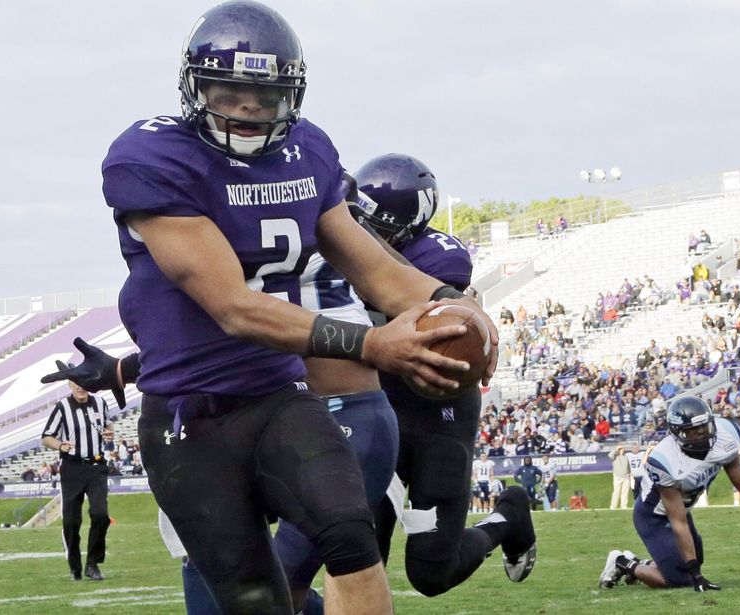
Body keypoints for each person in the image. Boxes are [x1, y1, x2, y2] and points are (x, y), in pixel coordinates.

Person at [41, 5, 498, 612]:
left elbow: (376, 267)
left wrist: (452, 304)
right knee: (256, 598)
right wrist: (369, 344)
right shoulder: (153, 158)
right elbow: (232, 307)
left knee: (351, 538)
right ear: (194, 87)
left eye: (266, 96)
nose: (247, 111)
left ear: (294, 94)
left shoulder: (306, 152)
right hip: (191, 416)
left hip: (280, 396)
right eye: (228, 92)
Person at [350, 154, 536, 595]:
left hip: (439, 417)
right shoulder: (347, 247)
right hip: (381, 411)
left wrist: (363, 242)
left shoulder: (440, 257)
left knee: (432, 574)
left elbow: (403, 291)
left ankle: (507, 517)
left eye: (375, 224)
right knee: (356, 555)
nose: (364, 233)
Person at [599, 396, 740, 591]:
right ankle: (621, 562)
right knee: (680, 579)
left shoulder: (725, 435)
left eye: (703, 427)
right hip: (653, 515)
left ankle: (637, 562)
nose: (700, 434)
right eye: (692, 430)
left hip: (682, 509)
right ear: (678, 433)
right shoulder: (666, 460)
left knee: (694, 559)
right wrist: (696, 576)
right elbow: (678, 522)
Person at [40, 378, 113, 581]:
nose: (81, 387)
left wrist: (109, 434)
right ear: (70, 385)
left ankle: (93, 564)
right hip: (72, 468)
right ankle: (75, 567)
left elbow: (109, 425)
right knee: (72, 521)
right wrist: (60, 445)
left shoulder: (100, 403)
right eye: (76, 383)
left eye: (84, 382)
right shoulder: (62, 407)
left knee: (101, 514)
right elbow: (46, 436)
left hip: (97, 466)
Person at [609, 444, 631, 509]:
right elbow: (610, 455)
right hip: (617, 477)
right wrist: (616, 449)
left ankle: (624, 505)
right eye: (620, 449)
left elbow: (628, 466)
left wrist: (630, 474)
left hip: (626, 477)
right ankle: (613, 506)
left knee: (625, 492)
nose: (622, 450)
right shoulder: (615, 456)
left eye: (622, 448)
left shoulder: (626, 457)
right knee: (616, 492)